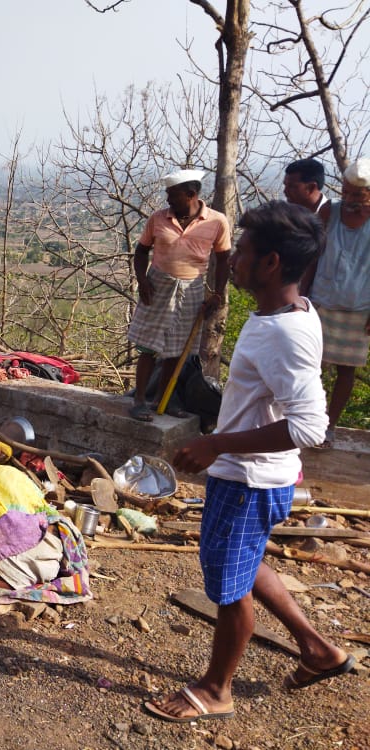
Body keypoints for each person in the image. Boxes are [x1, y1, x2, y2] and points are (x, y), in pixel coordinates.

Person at [145, 201, 353, 723]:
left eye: (244, 251)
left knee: (229, 588)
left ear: (272, 263)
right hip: (257, 477)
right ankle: (317, 648)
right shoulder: (289, 312)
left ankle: (217, 689)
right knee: (247, 563)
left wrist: (216, 445)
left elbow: (311, 426)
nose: (232, 258)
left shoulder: (282, 332)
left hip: (247, 481)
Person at [127, 169, 231, 422]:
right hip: (158, 285)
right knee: (148, 346)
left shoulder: (216, 222)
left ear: (191, 195)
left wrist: (217, 294)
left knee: (178, 350)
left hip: (192, 287)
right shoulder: (158, 219)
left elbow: (224, 258)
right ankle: (140, 401)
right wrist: (142, 280)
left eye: (172, 195)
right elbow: (141, 252)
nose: (168, 201)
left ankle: (165, 400)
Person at [304, 158, 370, 443]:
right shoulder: (329, 212)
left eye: (358, 194)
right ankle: (307, 422)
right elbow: (312, 257)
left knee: (347, 370)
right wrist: (302, 296)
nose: (350, 199)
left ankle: (329, 427)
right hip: (322, 301)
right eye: (346, 192)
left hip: (359, 307)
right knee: (310, 367)